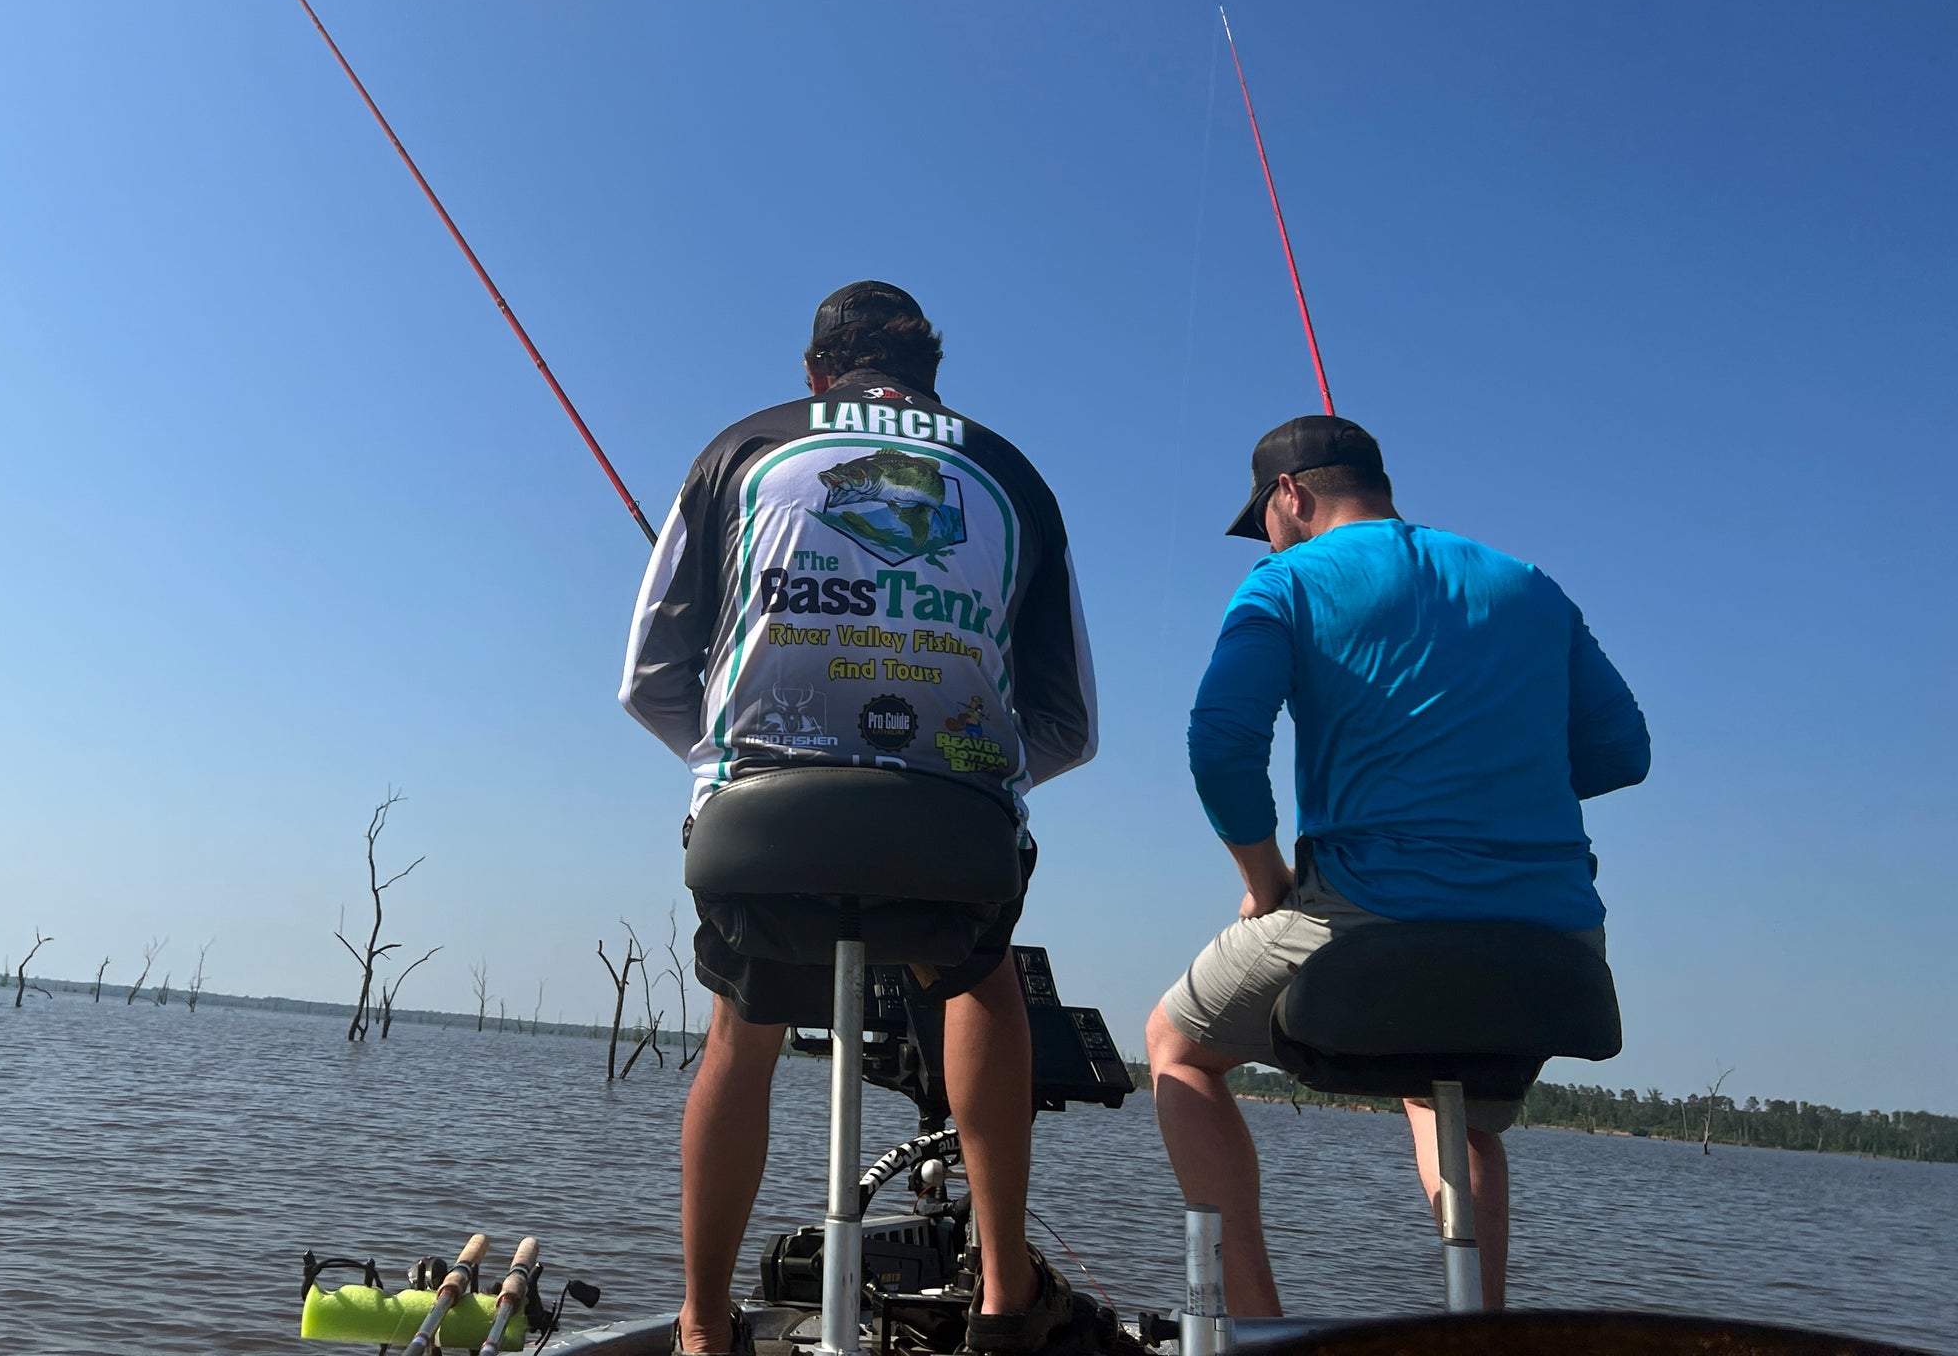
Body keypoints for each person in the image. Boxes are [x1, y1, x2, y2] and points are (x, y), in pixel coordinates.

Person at [622, 281, 1098, 1356]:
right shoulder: (1014, 476)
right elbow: (1067, 726)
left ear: (812, 371)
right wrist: (965, 775)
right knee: (982, 976)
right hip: (953, 832)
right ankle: (1005, 1299)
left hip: (763, 830)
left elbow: (650, 683)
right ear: (932, 369)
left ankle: (702, 1328)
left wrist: (737, 769)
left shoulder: (740, 449)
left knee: (742, 1030)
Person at [1146, 415, 1649, 1315]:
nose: (1263, 533)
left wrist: (1265, 882)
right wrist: (1485, 784)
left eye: (1262, 512)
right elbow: (1621, 753)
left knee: (1176, 1048)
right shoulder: (1527, 584)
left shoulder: (1286, 580)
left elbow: (1220, 744)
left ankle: (1260, 1330)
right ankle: (1479, 1333)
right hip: (1555, 937)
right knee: (1446, 1092)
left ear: (1291, 497)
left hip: (1370, 912)